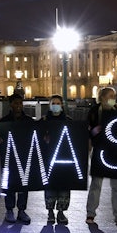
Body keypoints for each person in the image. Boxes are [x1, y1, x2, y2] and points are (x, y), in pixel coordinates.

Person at [86, 86, 117, 226]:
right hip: (100, 150)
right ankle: (90, 214)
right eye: (110, 96)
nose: (113, 99)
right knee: (96, 184)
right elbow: (88, 130)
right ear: (102, 97)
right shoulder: (94, 111)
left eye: (114, 96)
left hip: (116, 152)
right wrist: (95, 131)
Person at [0, 93, 35, 224]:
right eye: (16, 103)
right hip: (9, 158)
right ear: (10, 104)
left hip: (24, 158)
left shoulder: (29, 121)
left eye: (20, 103)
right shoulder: (4, 121)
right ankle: (9, 209)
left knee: (23, 186)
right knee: (9, 184)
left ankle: (21, 210)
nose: (18, 106)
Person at [41, 94, 72, 225]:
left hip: (64, 158)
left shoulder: (69, 121)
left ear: (62, 105)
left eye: (58, 103)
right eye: (53, 103)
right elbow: (38, 137)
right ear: (50, 105)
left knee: (64, 185)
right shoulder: (43, 121)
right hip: (49, 158)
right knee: (50, 185)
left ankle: (61, 212)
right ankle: (50, 212)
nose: (55, 105)